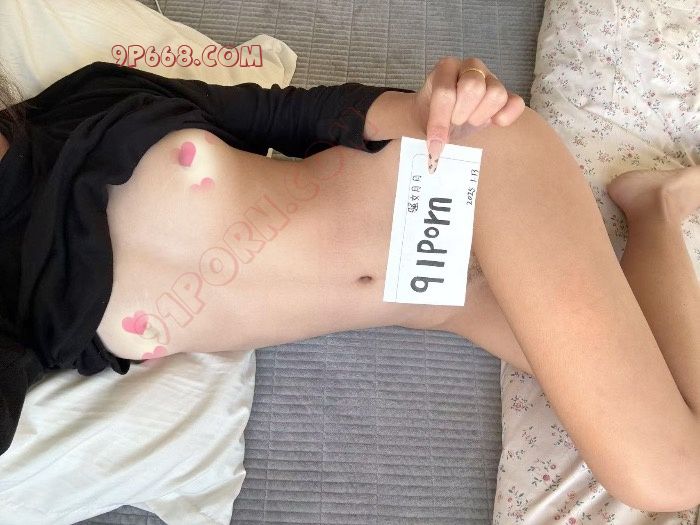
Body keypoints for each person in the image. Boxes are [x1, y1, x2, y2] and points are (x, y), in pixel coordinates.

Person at [0, 56, 698, 512]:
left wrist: (430, 106)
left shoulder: (82, 101)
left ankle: (656, 211)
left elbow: (283, 114)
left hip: (461, 178)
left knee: (667, 475)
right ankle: (653, 207)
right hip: (440, 297)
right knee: (671, 395)